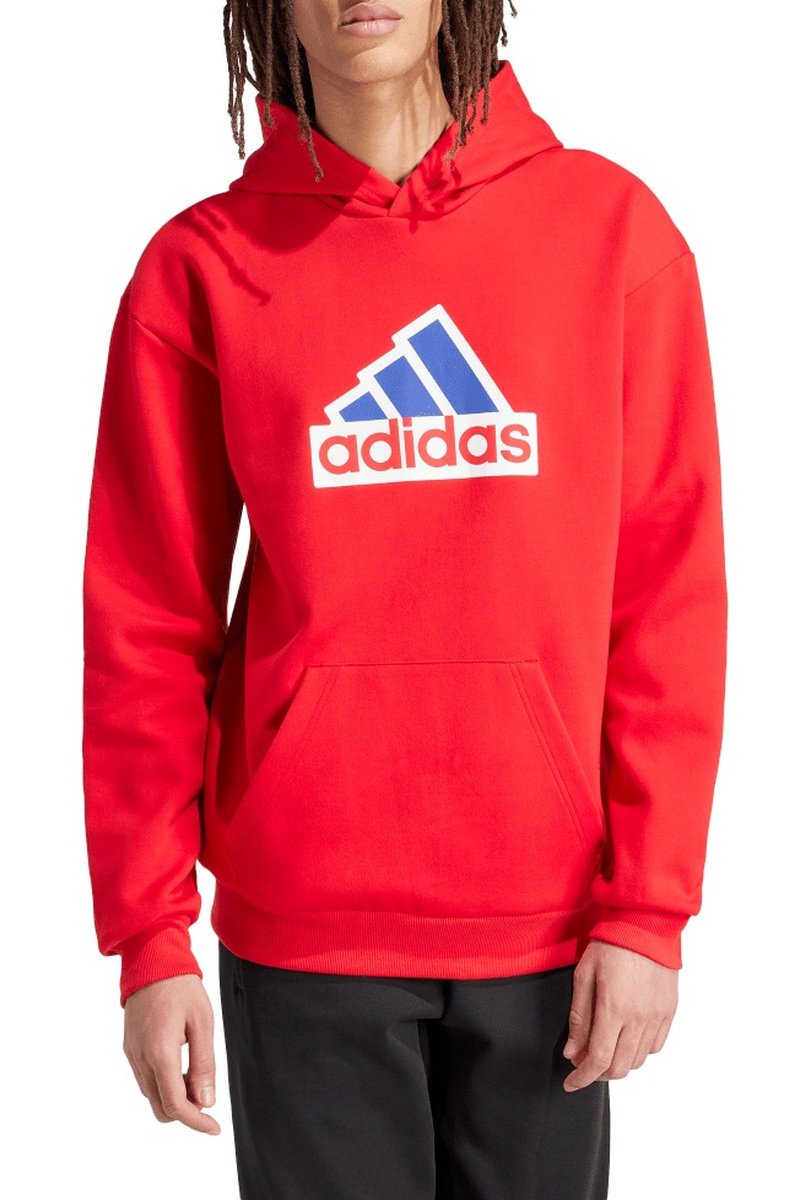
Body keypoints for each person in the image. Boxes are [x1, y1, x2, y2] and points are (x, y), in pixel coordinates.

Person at [81, 1, 728, 1197]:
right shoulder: (201, 268)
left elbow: (665, 596)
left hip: (548, 930)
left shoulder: (608, 235)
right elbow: (147, 621)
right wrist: (150, 934)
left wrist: (648, 909)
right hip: (301, 931)